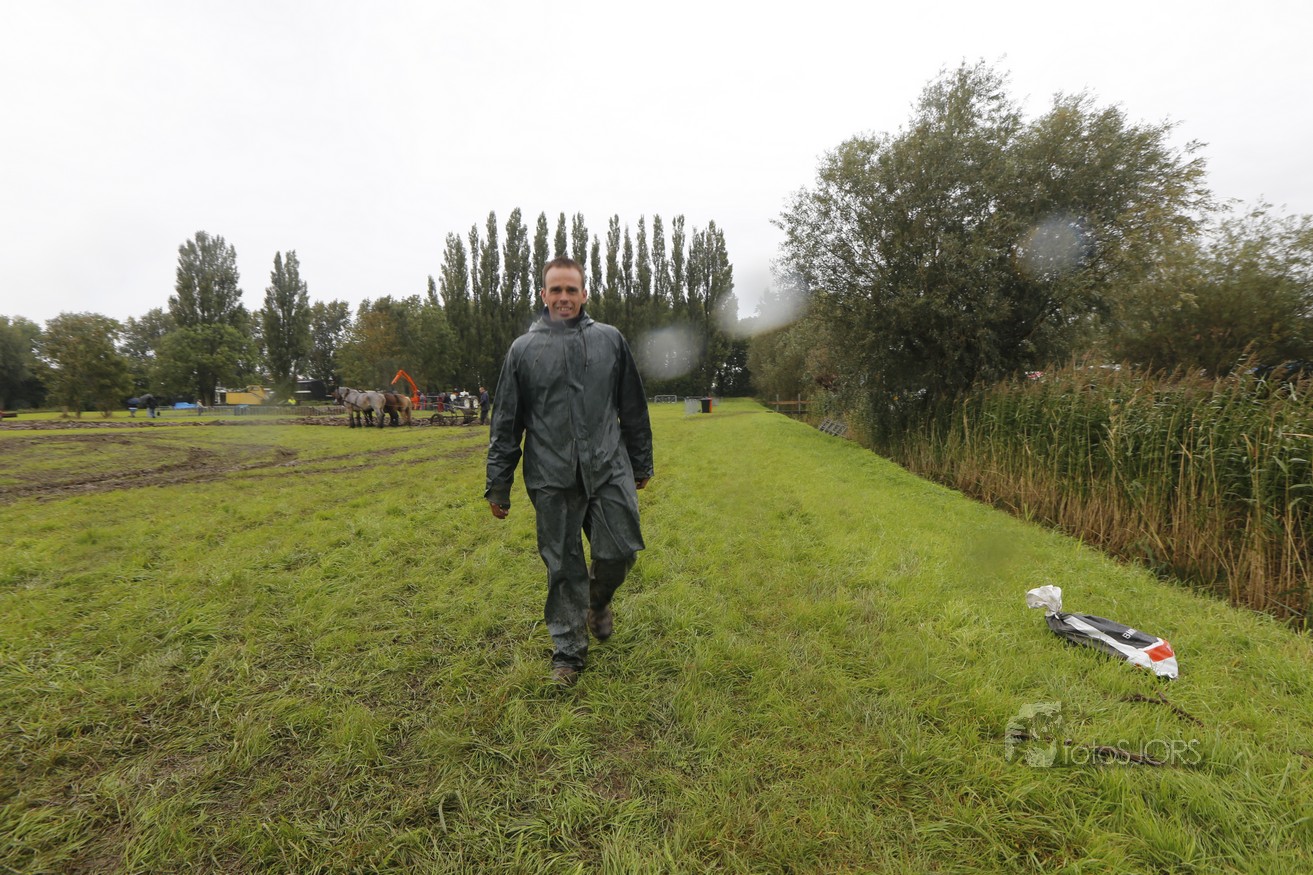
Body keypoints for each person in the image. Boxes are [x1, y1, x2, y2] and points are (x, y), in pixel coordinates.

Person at [486, 256, 653, 687]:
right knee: (563, 566)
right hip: (551, 475)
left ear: (584, 293)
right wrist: (498, 483)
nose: (564, 297)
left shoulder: (610, 341)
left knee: (620, 551)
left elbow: (633, 407)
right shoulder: (523, 350)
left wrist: (641, 460)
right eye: (556, 290)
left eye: (571, 289)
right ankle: (568, 654)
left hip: (608, 467)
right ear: (543, 294)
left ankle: (597, 601)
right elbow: (506, 422)